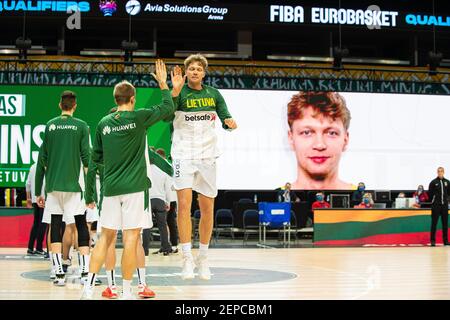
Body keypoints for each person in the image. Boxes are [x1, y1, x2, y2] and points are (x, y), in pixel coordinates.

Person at [82, 60, 183, 299]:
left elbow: (95, 160)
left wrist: (90, 193)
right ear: (133, 98)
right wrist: (162, 83)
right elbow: (168, 109)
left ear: (115, 99)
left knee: (104, 239)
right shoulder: (139, 118)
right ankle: (127, 292)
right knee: (130, 239)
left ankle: (88, 289)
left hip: (110, 188)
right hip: (135, 188)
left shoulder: (104, 124)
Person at [165, 54, 237, 281]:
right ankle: (186, 258)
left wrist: (230, 124)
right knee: (183, 206)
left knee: (207, 209)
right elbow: (167, 116)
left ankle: (203, 258)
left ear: (204, 73)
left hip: (207, 156)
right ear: (186, 73)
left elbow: (226, 118)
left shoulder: (214, 94)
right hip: (182, 155)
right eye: (191, 69)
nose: (195, 72)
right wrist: (174, 92)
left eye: (199, 69)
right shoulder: (177, 91)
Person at [35, 90, 91, 287]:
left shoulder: (50, 126)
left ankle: (57, 272)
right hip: (75, 186)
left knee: (55, 225)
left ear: (60, 105)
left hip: (53, 186)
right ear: (75, 106)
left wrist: (37, 192)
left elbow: (42, 160)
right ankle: (85, 272)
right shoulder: (82, 126)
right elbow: (87, 159)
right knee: (81, 224)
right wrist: (90, 189)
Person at [287, 91, 353, 190]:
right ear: (291, 138)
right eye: (306, 132)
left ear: (345, 139)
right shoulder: (271, 202)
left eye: (331, 133)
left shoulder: (366, 202)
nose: (319, 145)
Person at [148, 147, 173, 256]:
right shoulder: (163, 171)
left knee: (146, 226)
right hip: (160, 200)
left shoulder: (146, 170)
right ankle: (166, 248)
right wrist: (168, 202)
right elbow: (167, 188)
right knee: (162, 225)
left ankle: (144, 250)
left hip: (148, 200)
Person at [26, 162, 47, 256]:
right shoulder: (46, 166)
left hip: (35, 199)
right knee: (42, 224)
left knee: (36, 223)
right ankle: (38, 247)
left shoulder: (33, 166)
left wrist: (28, 198)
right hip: (43, 198)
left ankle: (30, 247)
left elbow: (28, 184)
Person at [428, 167, 450, 246]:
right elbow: (430, 194)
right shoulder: (433, 182)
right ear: (437, 172)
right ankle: (433, 241)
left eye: (441, 171)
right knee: (434, 223)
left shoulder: (447, 182)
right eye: (439, 171)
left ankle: (446, 241)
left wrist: (447, 201)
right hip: (436, 206)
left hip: (444, 206)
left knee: (445, 224)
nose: (440, 172)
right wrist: (434, 201)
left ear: (444, 172)